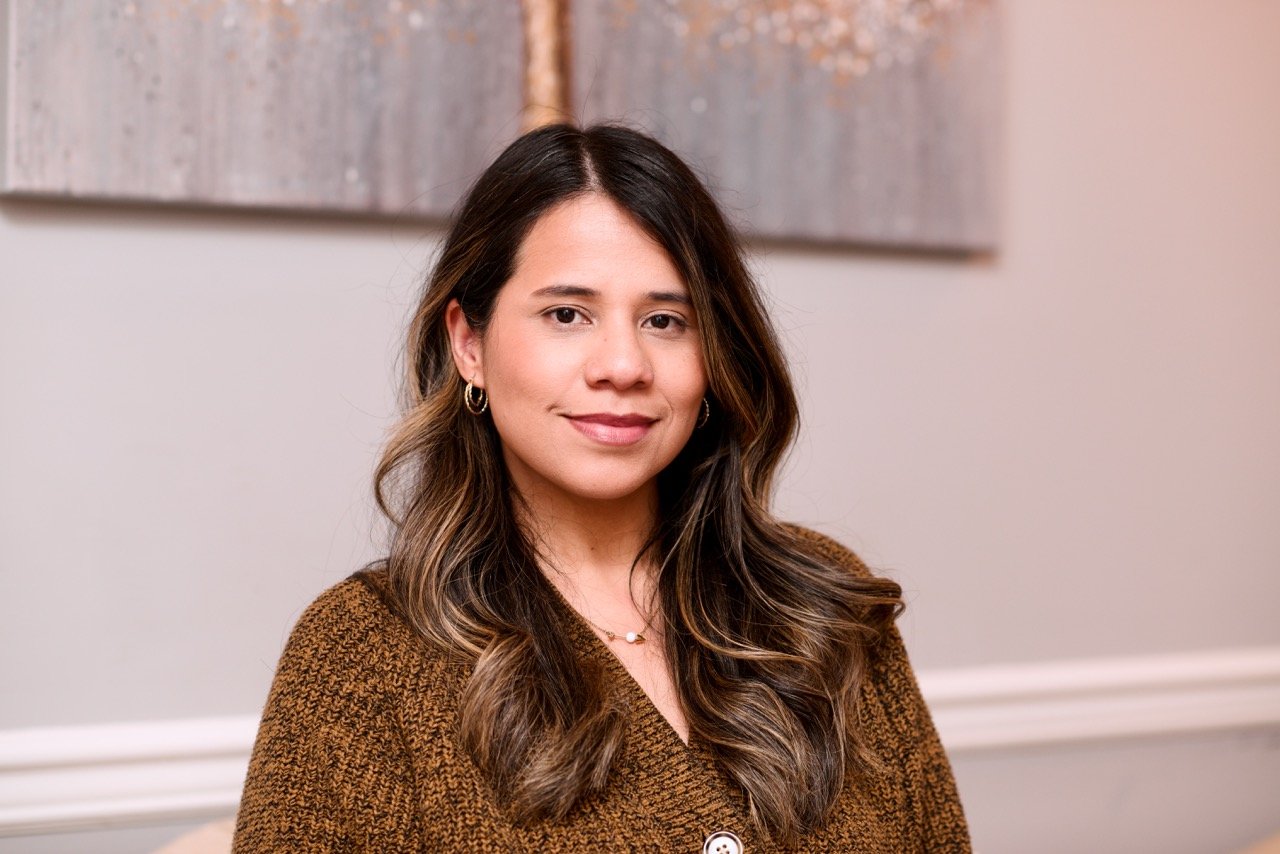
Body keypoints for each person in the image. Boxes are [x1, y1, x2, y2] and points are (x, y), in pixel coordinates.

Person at [232, 123, 969, 853]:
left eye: (665, 320)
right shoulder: (361, 656)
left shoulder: (822, 609)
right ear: (469, 343)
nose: (623, 364)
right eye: (566, 314)